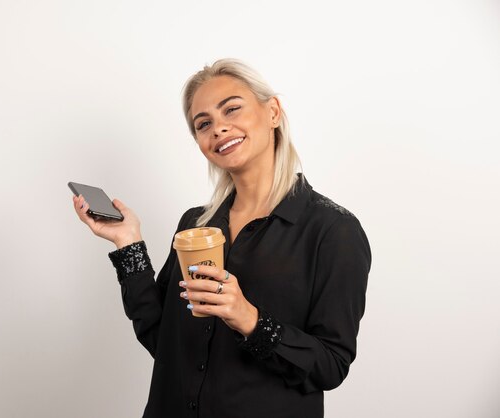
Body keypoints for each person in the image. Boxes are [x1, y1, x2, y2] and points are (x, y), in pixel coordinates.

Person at [72, 58, 371, 418]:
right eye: (204, 124)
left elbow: (330, 366)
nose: (219, 129)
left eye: (232, 109)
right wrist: (128, 242)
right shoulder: (195, 225)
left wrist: (249, 319)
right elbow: (163, 340)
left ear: (273, 112)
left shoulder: (332, 230)